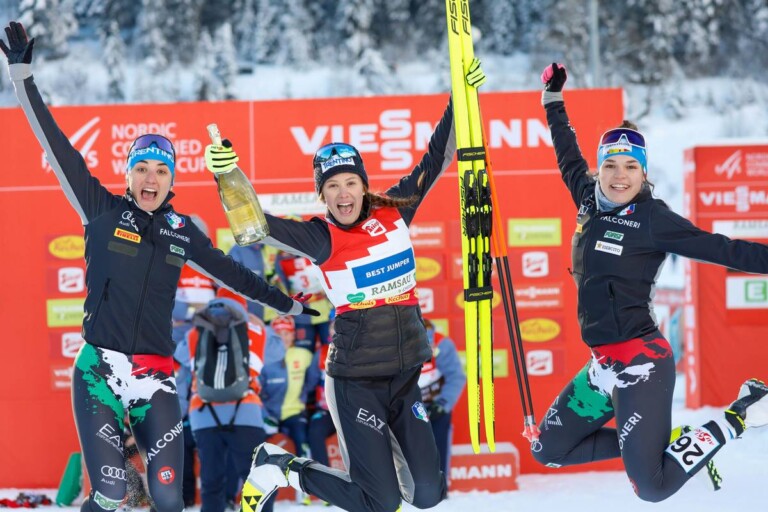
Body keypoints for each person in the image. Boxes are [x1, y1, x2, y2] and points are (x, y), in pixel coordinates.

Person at [1, 22, 317, 512]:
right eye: (142, 169)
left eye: (161, 170)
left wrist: (288, 304)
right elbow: (54, 143)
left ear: (172, 180)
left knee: (169, 496)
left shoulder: (181, 230)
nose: (151, 178)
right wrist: (22, 76)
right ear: (128, 174)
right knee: (111, 493)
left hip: (155, 375)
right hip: (99, 372)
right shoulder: (100, 210)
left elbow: (234, 274)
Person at [204, 81, 468, 512]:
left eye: (350, 182)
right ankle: (279, 466)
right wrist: (226, 176)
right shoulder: (320, 237)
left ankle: (371, 478)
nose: (343, 193)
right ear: (321, 194)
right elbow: (252, 226)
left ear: (363, 185)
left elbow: (437, 155)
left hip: (404, 378)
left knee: (427, 493)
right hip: (354, 382)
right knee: (380, 503)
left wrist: (461, 97)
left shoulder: (395, 211)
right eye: (332, 186)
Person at [534, 62, 768, 502]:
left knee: (651, 486)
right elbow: (566, 151)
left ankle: (743, 413)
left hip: (642, 360)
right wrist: (552, 98)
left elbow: (723, 249)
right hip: (603, 364)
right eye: (610, 165)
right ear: (600, 169)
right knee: (548, 449)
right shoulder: (588, 198)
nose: (619, 176)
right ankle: (670, 445)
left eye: (630, 166)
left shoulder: (652, 219)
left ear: (643, 172)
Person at [183, 293, 278, 512]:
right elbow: (278, 352)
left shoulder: (194, 331)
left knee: (211, 480)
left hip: (203, 411)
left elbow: (181, 360)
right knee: (257, 477)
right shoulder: (255, 330)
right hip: (246, 409)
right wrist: (259, 323)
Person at [418, 319, 466, 481]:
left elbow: (456, 377)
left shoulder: (443, 344)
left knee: (439, 448)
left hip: (436, 405)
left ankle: (441, 484)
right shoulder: (397, 345)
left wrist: (443, 404)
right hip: (410, 407)